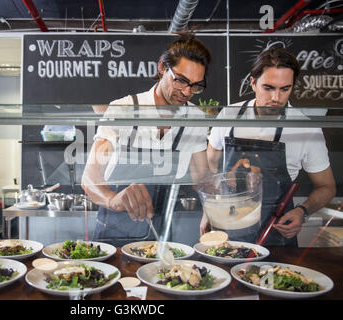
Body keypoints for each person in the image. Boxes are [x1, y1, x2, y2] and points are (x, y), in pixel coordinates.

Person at [81, 36, 212, 246]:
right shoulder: (124, 110)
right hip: (114, 232)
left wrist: (214, 207)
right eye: (180, 80)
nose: (187, 92)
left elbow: (202, 178)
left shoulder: (195, 119)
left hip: (162, 233)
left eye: (195, 86)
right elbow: (90, 178)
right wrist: (112, 200)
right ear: (162, 68)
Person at [205, 46, 336, 247]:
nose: (276, 98)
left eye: (285, 89)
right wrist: (209, 210)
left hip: (277, 232)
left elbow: (327, 187)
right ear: (253, 83)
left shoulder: (306, 128)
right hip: (229, 230)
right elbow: (210, 167)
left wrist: (303, 211)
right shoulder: (229, 116)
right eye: (268, 88)